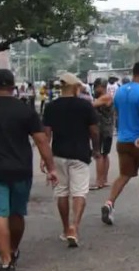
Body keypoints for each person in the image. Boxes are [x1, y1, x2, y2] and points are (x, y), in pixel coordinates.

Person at [0, 69, 57, 271]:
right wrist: (51, 168)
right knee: (17, 213)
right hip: (21, 169)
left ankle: (5, 262)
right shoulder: (25, 111)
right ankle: (12, 250)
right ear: (13, 86)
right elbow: (41, 140)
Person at [101, 61, 139, 224]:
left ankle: (109, 203)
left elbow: (117, 111)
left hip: (123, 140)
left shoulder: (120, 91)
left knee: (124, 174)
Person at [42, 73, 99, 248]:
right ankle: (75, 227)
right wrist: (96, 149)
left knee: (62, 192)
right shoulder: (85, 106)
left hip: (59, 154)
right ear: (75, 88)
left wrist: (46, 158)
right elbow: (94, 131)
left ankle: (66, 228)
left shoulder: (51, 107)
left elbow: (46, 134)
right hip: (80, 154)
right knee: (79, 192)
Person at [92, 79, 115, 190]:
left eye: (96, 87)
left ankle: (99, 181)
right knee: (104, 154)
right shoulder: (106, 97)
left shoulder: (105, 97)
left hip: (103, 129)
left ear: (101, 87)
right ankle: (103, 180)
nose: (95, 90)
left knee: (99, 155)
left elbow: (92, 105)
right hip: (107, 129)